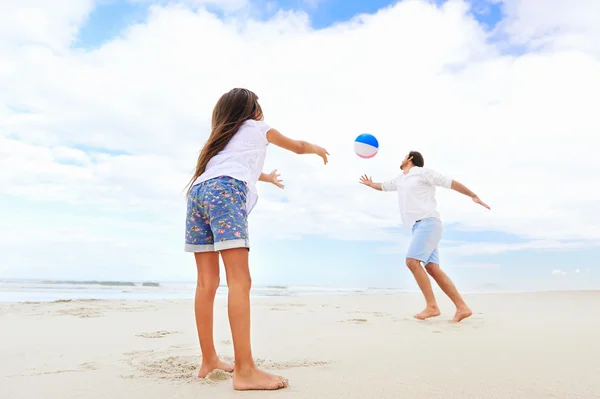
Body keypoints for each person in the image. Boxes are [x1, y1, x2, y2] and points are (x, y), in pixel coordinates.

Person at [183, 88, 329, 391]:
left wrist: (266, 177)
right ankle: (245, 371)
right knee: (240, 280)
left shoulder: (220, 142)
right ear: (253, 110)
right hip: (225, 192)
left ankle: (208, 360)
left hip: (198, 193)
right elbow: (298, 147)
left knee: (206, 282)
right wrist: (317, 148)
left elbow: (240, 164)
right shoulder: (258, 128)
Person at [359, 151, 490, 323]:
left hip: (429, 223)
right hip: (419, 226)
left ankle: (432, 306)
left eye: (404, 156)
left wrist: (472, 195)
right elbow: (384, 186)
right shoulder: (400, 179)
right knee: (432, 268)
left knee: (412, 262)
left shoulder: (423, 172)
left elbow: (449, 183)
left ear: (410, 159)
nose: (401, 158)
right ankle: (462, 307)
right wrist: (370, 184)